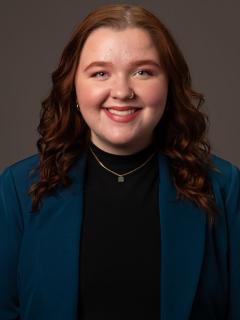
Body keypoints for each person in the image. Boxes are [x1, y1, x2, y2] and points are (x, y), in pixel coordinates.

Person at [0, 3, 239, 320]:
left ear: (169, 84)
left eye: (143, 72)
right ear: (73, 87)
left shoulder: (225, 186)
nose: (122, 91)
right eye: (100, 73)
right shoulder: (18, 188)